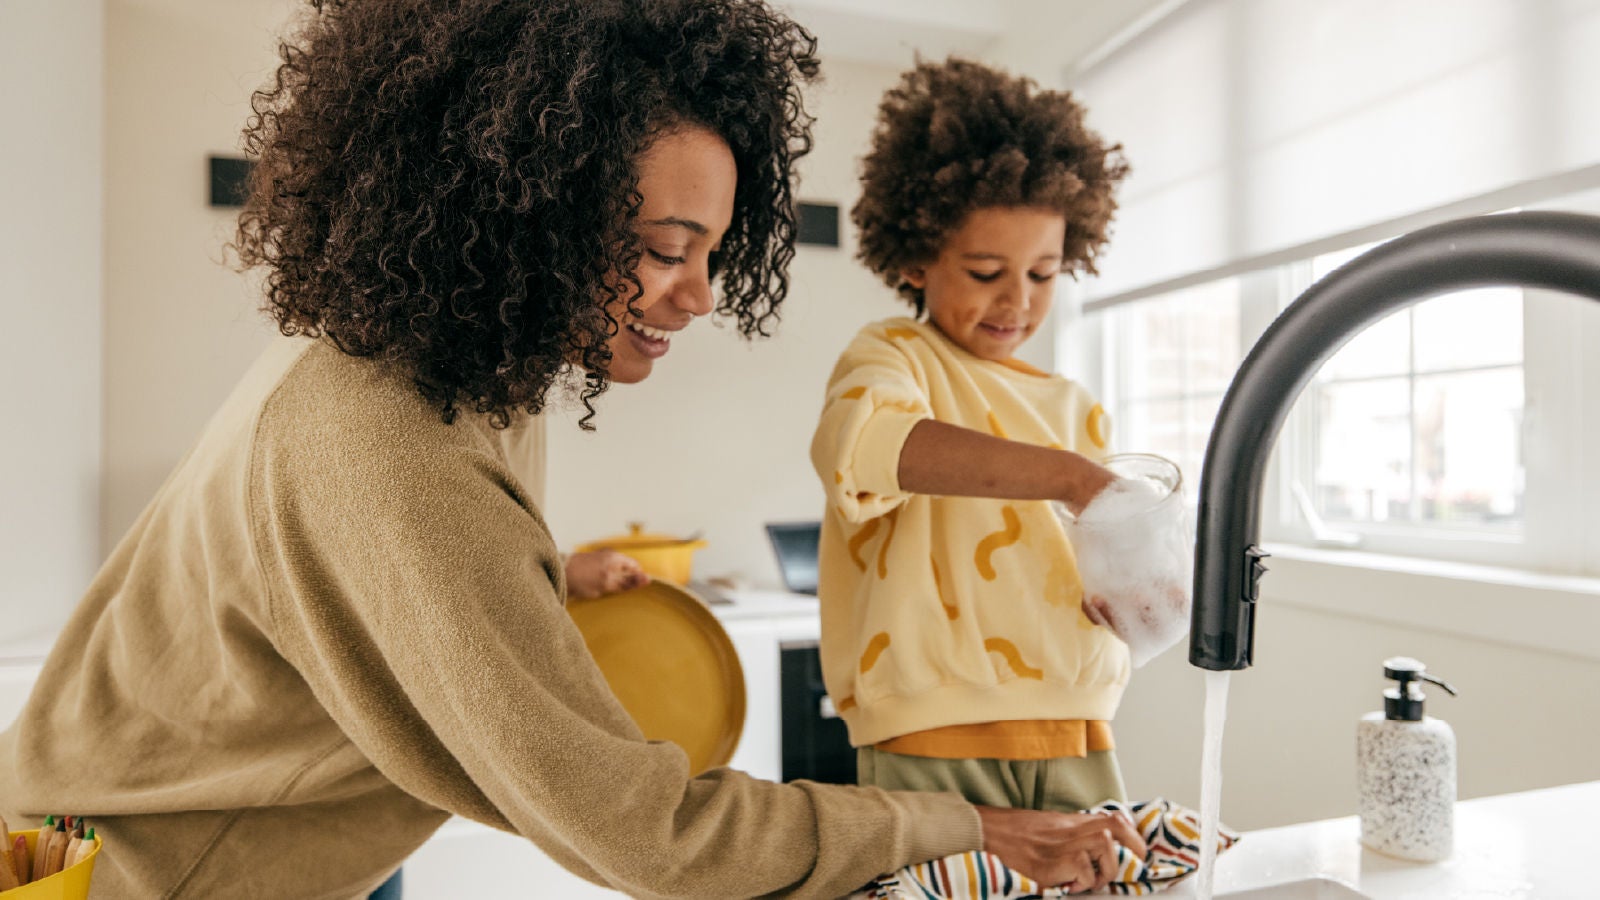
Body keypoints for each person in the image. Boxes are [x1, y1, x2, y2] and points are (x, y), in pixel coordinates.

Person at [0, 4, 1143, 897]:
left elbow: (367, 596)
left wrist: (540, 580)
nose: (699, 295)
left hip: (238, 837)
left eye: (713, 252)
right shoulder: (389, 445)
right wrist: (973, 828)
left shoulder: (441, 360)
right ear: (525, 206)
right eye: (663, 247)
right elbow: (650, 834)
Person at [810, 57, 1142, 821]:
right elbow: (867, 448)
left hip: (1078, 722)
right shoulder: (890, 358)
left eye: (1044, 274)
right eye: (987, 269)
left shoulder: (1077, 408)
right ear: (917, 256)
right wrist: (1067, 477)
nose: (1017, 301)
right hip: (927, 726)